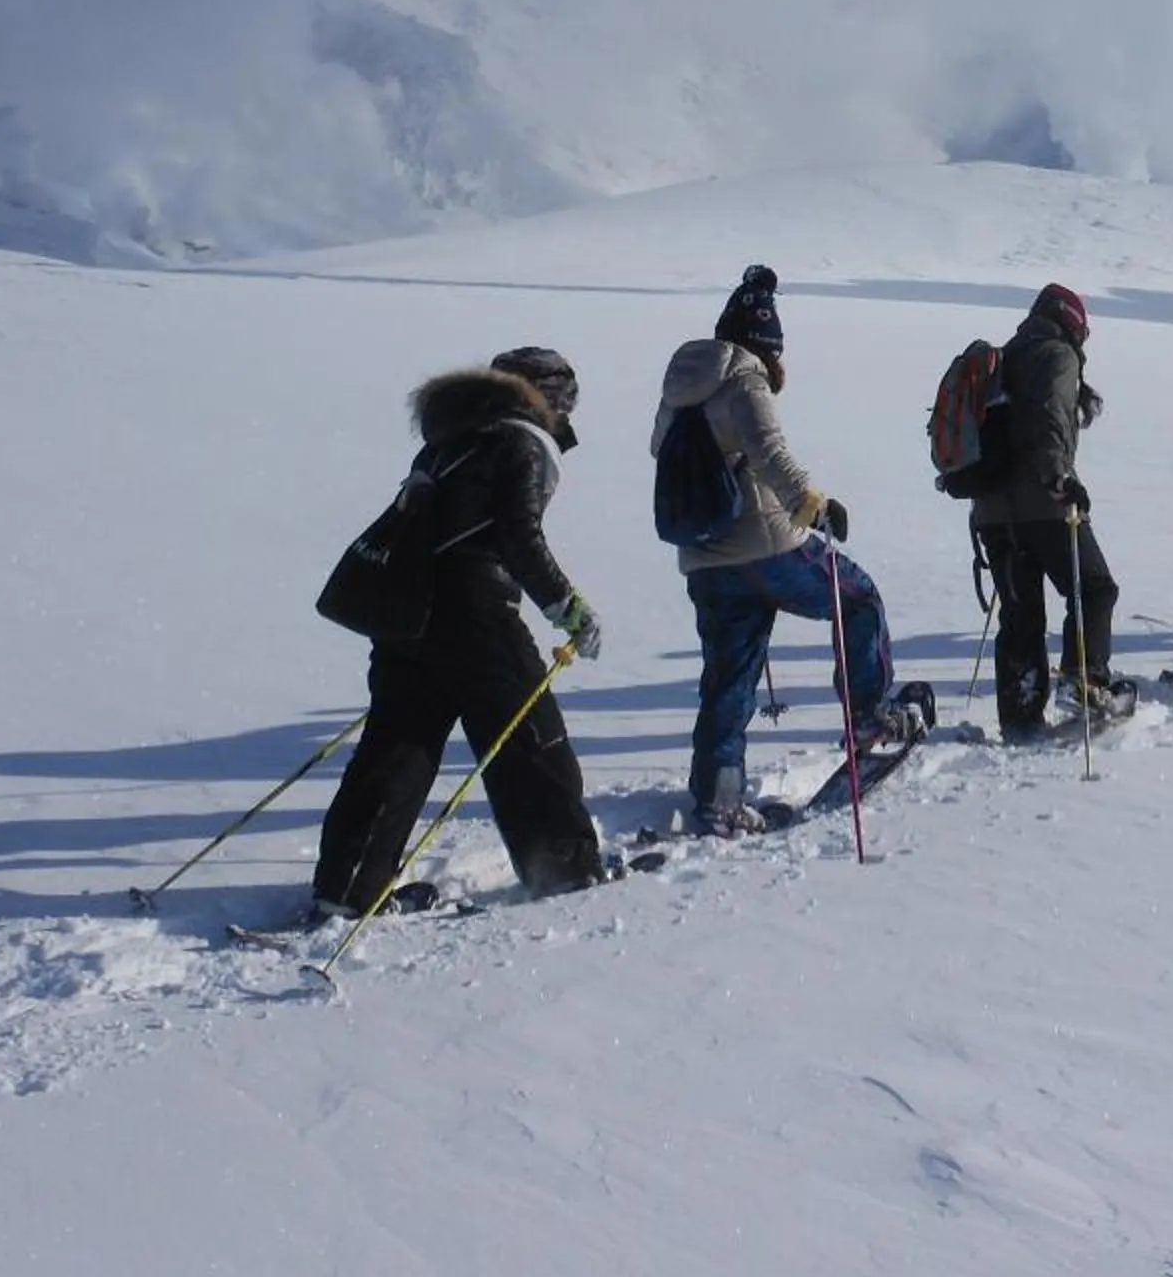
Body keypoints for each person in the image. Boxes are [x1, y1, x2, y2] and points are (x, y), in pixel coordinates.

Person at [309, 347, 611, 917]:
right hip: (475, 612)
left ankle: (346, 890)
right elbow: (517, 535)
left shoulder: (450, 438)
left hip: (406, 614)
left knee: (397, 749)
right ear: (548, 399)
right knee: (530, 737)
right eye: (566, 406)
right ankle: (567, 871)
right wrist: (568, 608)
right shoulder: (522, 440)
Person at [653, 264, 922, 835]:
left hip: (704, 558)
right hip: (769, 545)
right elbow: (772, 453)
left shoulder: (679, 388)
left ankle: (719, 797)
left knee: (729, 674)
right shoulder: (745, 380)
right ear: (768, 344)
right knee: (859, 598)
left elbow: (662, 451)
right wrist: (815, 506)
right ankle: (871, 716)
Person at [970, 282, 1124, 736]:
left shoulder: (1003, 357)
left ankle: (1020, 713)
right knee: (1095, 588)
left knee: (1021, 615)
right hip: (1045, 503)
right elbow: (1050, 418)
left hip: (993, 514)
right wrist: (1061, 477)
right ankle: (1084, 682)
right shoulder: (1056, 356)